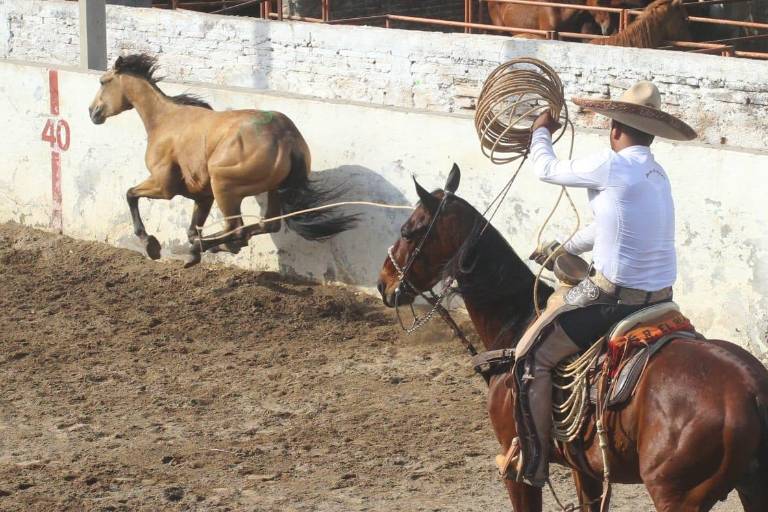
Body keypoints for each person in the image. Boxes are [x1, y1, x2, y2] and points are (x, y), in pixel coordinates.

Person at [510, 80, 697, 487]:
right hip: (661, 300)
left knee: (531, 357)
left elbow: (544, 169)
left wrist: (541, 130)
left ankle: (533, 463)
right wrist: (565, 246)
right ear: (652, 135)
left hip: (613, 298)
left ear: (615, 129)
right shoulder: (656, 173)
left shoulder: (610, 165)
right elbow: (611, 222)